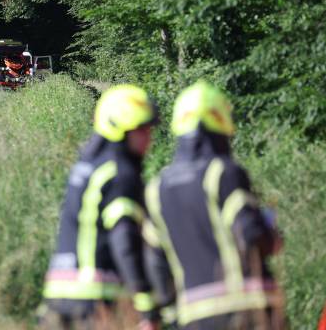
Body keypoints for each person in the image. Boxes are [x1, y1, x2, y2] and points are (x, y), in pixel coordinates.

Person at [142, 80, 284, 329]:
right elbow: (250, 234)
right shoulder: (223, 173)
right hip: (246, 310)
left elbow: (155, 261)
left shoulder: (157, 188)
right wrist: (271, 237)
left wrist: (169, 313)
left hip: (192, 316)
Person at [41, 85, 161, 329]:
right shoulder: (119, 173)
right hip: (95, 301)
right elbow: (124, 240)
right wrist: (146, 303)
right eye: (141, 129)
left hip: (58, 296)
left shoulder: (86, 167)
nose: (148, 137)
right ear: (119, 129)